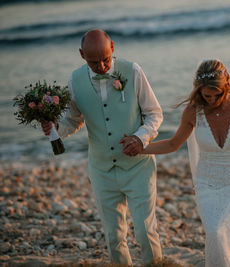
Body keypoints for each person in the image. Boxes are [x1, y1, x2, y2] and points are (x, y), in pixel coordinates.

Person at [141, 59, 230, 266]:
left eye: (218, 94)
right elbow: (173, 143)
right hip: (208, 184)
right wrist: (141, 149)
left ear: (227, 86)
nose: (213, 99)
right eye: (207, 95)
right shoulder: (192, 112)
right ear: (199, 91)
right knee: (216, 233)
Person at [41, 29, 163, 265]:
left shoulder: (133, 71)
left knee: (145, 232)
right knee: (113, 235)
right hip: (101, 169)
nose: (102, 66)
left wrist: (140, 138)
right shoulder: (75, 80)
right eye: (94, 62)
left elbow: (154, 114)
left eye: (106, 59)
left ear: (113, 47)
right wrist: (55, 127)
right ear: (81, 55)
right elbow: (73, 120)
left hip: (138, 167)